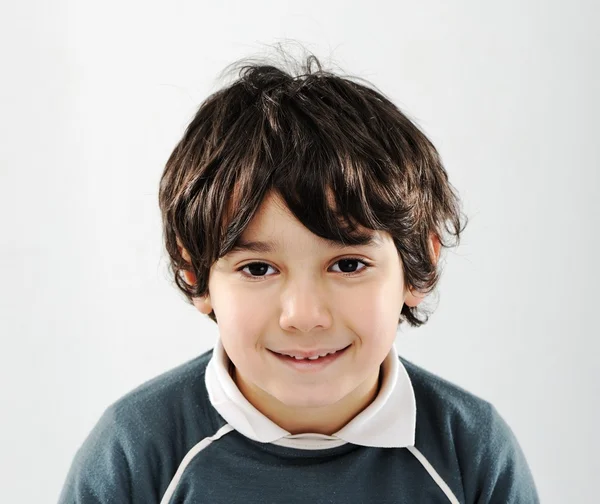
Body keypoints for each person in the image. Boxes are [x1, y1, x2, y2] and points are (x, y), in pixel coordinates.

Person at [58, 52, 539, 503]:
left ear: (420, 264)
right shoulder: (136, 452)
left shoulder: (470, 451)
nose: (304, 316)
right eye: (258, 268)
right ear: (195, 273)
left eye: (348, 264)